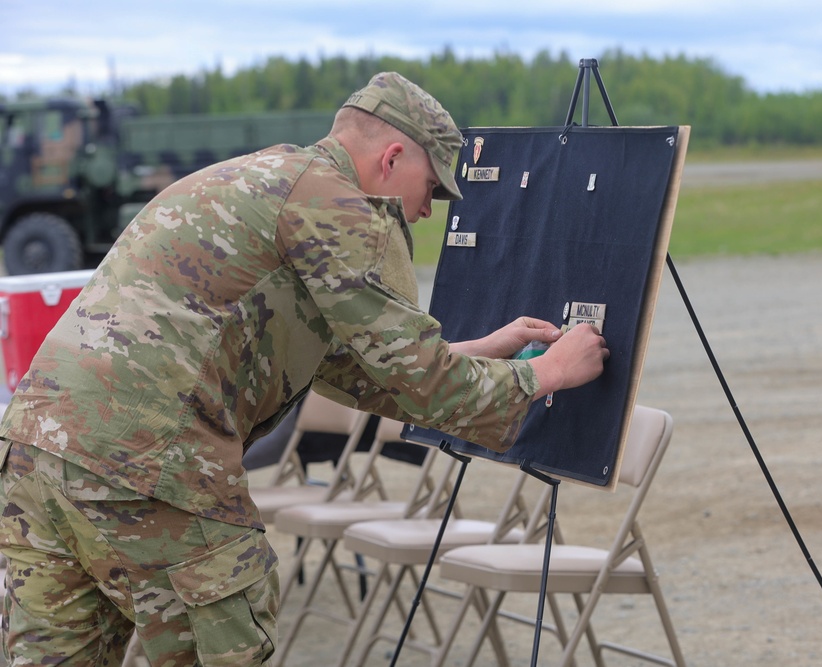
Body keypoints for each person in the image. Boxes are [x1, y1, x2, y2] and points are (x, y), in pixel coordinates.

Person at [0, 72, 609, 665]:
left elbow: (347, 368)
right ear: (392, 157)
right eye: (433, 188)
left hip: (37, 449)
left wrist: (470, 350)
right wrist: (548, 373)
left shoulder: (263, 178)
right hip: (146, 457)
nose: (429, 211)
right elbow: (420, 379)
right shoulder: (336, 205)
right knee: (227, 640)